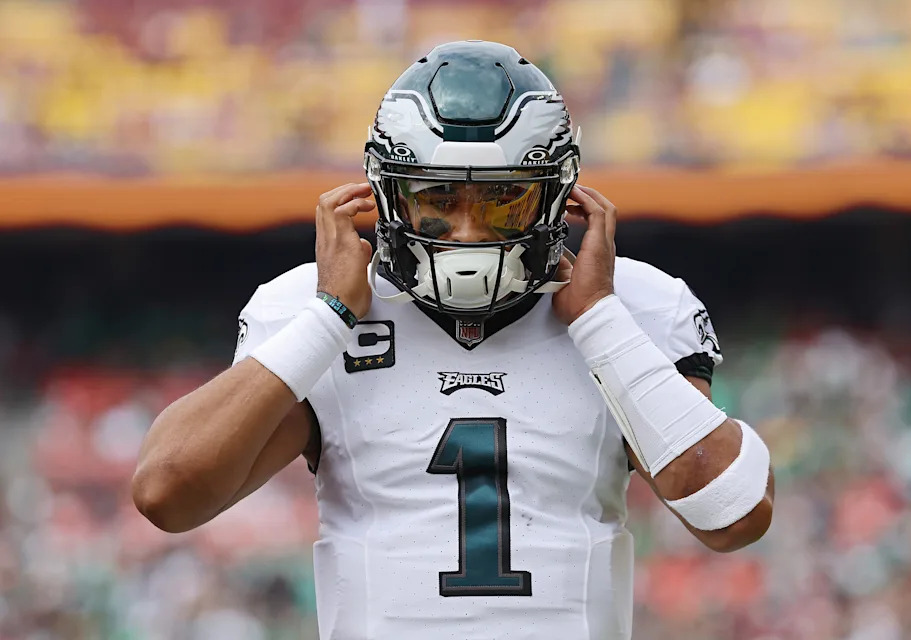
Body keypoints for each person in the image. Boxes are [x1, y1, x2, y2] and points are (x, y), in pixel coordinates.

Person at [133, 41, 774, 639]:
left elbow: (734, 515)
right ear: (384, 195)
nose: (467, 234)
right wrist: (328, 317)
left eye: (502, 201)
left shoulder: (633, 305)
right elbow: (167, 493)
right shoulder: (311, 309)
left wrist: (601, 321)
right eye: (438, 196)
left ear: (559, 197)